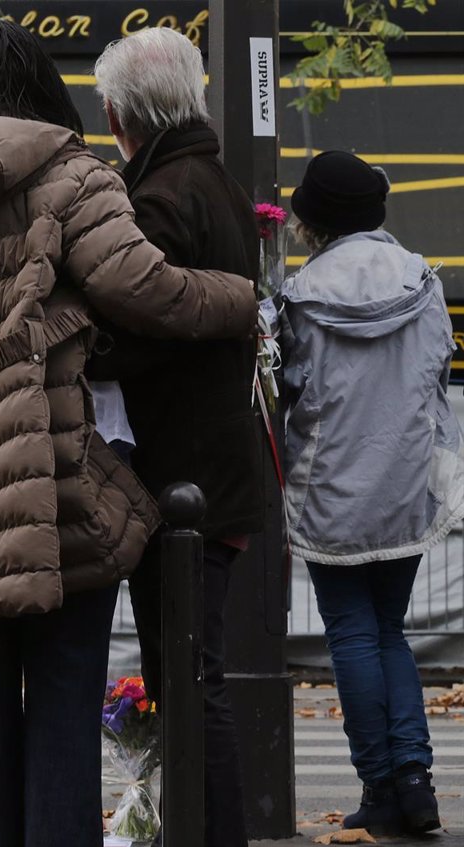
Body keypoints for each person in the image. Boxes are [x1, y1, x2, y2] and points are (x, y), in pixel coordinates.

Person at [0, 20, 257, 847]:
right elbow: (151, 292)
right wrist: (246, 298)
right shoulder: (79, 182)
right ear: (43, 87)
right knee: (67, 684)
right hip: (56, 480)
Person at [86, 27, 266, 847]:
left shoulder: (158, 198)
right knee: (190, 674)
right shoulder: (214, 181)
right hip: (218, 467)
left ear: (122, 114)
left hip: (180, 474)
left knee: (188, 678)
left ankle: (208, 833)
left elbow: (144, 331)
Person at [280, 150, 464, 836]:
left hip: (332, 486)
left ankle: (382, 784)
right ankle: (415, 781)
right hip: (407, 481)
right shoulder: (423, 280)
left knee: (352, 631)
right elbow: (435, 373)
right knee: (390, 628)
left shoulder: (301, 295)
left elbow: (290, 392)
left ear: (315, 220)